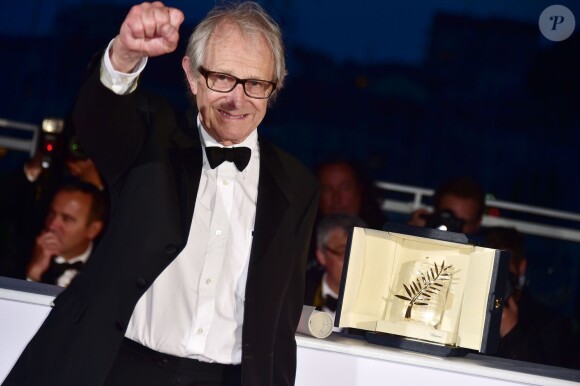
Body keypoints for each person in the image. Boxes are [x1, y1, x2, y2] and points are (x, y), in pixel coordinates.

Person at [4, 2, 319, 386]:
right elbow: (99, 119)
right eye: (222, 77)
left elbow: (280, 320)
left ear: (277, 84)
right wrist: (124, 56)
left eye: (255, 84)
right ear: (191, 75)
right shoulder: (152, 135)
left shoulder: (297, 186)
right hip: (116, 368)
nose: (238, 99)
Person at [484, 226, 573, 368]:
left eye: (502, 270)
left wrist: (512, 332)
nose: (495, 279)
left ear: (521, 267)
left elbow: (550, 377)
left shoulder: (550, 324)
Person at [26, 181, 107, 287]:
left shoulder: (107, 269)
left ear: (93, 230)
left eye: (67, 219)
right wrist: (33, 275)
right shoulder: (18, 253)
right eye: (52, 213)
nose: (52, 225)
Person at [304, 213, 365, 321]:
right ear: (322, 256)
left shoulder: (379, 304)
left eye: (359, 252)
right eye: (344, 253)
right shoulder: (298, 294)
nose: (354, 261)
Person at [316, 160, 387, 229]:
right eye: (327, 189)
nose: (336, 198)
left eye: (345, 188)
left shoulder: (384, 236)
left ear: (360, 189)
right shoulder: (306, 234)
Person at [408, 176, 485, 234]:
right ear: (435, 214)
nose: (453, 224)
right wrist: (413, 233)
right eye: (448, 217)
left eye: (462, 222)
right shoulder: (424, 232)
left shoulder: (485, 253)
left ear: (477, 224)